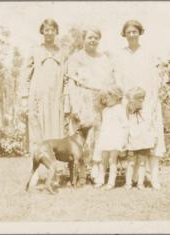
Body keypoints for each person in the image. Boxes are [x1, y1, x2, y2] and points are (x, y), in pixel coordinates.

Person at [114, 20, 166, 190]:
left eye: (134, 31)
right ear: (124, 34)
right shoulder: (120, 54)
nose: (131, 35)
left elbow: (155, 79)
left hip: (148, 102)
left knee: (152, 140)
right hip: (128, 103)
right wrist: (127, 100)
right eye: (128, 32)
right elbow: (118, 79)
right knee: (132, 140)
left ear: (139, 33)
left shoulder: (148, 53)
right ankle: (134, 178)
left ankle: (154, 178)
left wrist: (151, 102)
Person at [65, 27, 115, 184]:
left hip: (100, 101)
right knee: (80, 138)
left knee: (99, 137)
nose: (93, 40)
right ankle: (80, 174)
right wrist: (74, 105)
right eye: (89, 37)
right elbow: (71, 82)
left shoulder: (104, 58)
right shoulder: (75, 58)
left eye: (96, 37)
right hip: (81, 99)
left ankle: (96, 172)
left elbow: (110, 81)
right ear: (83, 39)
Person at [21, 19, 66, 188]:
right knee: (37, 138)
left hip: (56, 100)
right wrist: (25, 98)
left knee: (54, 137)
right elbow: (25, 74)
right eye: (46, 29)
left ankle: (54, 175)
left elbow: (66, 78)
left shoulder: (62, 52)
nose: (49, 32)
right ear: (42, 31)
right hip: (37, 99)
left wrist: (66, 100)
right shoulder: (35, 50)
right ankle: (34, 175)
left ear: (56, 32)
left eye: (52, 29)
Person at [93, 85, 128, 190]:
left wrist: (124, 140)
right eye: (104, 98)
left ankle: (111, 182)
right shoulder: (105, 111)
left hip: (115, 139)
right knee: (103, 161)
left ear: (116, 97)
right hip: (105, 138)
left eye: (107, 98)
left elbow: (125, 125)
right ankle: (100, 180)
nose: (105, 100)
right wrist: (100, 138)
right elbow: (104, 126)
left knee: (112, 161)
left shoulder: (120, 110)